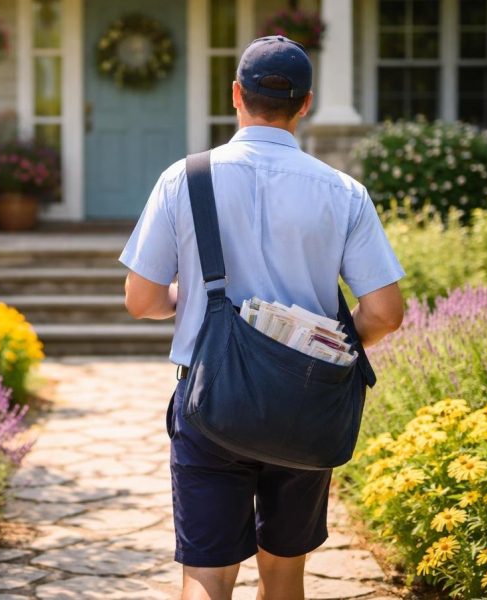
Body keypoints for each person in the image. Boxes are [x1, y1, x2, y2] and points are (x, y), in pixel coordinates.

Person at [119, 36, 406, 600]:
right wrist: (330, 347)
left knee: (207, 575)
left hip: (210, 404)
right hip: (306, 406)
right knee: (284, 573)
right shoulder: (344, 192)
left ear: (235, 95)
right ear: (306, 104)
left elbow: (141, 299)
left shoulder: (185, 178)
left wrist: (188, 300)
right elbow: (385, 312)